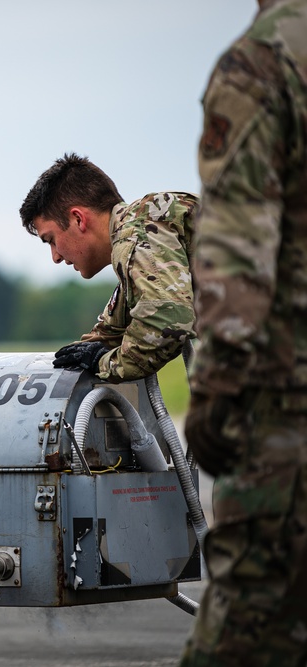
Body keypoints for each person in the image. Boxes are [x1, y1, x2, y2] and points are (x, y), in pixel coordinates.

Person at [179, 0, 307, 664]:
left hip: (287, 400)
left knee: (249, 617)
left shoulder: (263, 63)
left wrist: (219, 383)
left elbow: (237, 242)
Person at [19, 154, 199, 381]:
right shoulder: (137, 233)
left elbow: (168, 320)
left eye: (51, 239)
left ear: (78, 219)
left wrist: (105, 363)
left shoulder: (139, 230)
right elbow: (110, 332)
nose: (55, 256)